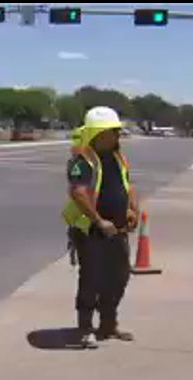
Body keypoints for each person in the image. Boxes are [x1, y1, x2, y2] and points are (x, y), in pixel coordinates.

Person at [62, 106, 140, 349]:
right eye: (112, 132)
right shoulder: (82, 159)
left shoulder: (118, 157)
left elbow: (128, 185)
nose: (117, 136)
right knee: (91, 278)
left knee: (119, 276)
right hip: (91, 230)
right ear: (97, 134)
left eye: (117, 131)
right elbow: (78, 192)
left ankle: (108, 324)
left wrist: (131, 210)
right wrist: (98, 220)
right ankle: (85, 328)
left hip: (117, 229)